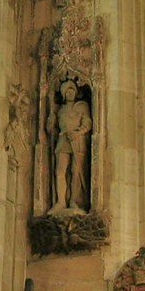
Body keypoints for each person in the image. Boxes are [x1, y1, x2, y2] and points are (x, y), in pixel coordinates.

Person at [51, 80, 92, 213]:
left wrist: (78, 132)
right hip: (63, 140)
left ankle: (75, 200)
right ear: (63, 94)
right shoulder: (60, 111)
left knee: (76, 171)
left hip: (77, 140)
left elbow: (88, 122)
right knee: (60, 171)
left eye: (72, 90)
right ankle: (61, 201)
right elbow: (53, 130)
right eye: (67, 91)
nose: (70, 93)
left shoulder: (82, 106)